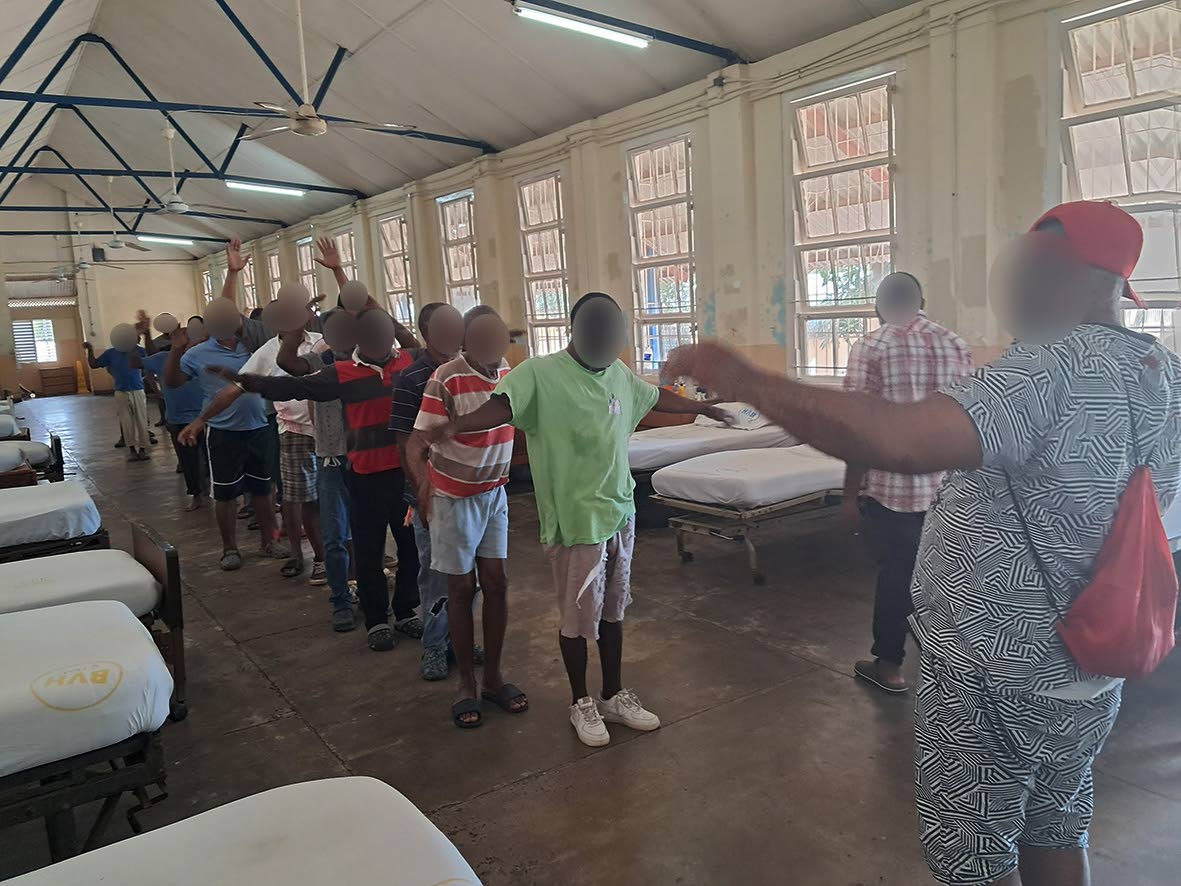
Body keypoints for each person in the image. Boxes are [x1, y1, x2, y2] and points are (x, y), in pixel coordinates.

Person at [663, 201, 1181, 886]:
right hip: (1091, 664)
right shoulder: (1163, 371)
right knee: (1057, 820)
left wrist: (746, 380)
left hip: (994, 667)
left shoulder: (1047, 367)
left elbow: (897, 439)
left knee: (972, 855)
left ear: (1068, 275)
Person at [422, 292, 730, 746]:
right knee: (575, 620)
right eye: (595, 329)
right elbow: (501, 408)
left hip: (618, 511)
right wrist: (457, 426)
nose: (605, 339)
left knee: (613, 612)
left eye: (614, 331)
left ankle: (612, 694)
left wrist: (701, 407)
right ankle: (580, 701)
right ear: (575, 328)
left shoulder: (619, 373)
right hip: (573, 521)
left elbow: (654, 396)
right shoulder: (539, 373)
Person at [216, 307, 421, 652]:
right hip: (365, 477)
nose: (378, 338)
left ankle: (404, 610)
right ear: (359, 338)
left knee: (411, 549)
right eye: (370, 332)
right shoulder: (341, 373)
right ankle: (377, 620)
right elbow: (294, 384)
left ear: (394, 333)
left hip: (406, 476)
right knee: (369, 553)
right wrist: (247, 382)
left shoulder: (410, 364)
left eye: (384, 330)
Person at [842, 272, 973, 694]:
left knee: (898, 574)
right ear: (922, 299)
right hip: (949, 485)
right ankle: (953, 666)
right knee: (948, 576)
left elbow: (858, 427)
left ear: (880, 305)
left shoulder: (872, 345)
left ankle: (890, 666)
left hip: (894, 489)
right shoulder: (955, 343)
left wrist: (849, 492)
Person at [409, 306, 523, 728]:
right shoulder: (446, 378)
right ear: (466, 341)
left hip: (494, 494)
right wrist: (423, 487)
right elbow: (417, 441)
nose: (491, 344)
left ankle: (493, 677)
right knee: (461, 590)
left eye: (498, 336)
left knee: (496, 583)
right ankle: (466, 685)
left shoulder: (510, 374)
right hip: (454, 498)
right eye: (481, 336)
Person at [189, 304, 326, 580]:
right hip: (293, 432)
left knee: (330, 499)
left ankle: (333, 555)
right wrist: (201, 420)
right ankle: (301, 555)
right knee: (297, 498)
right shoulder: (266, 353)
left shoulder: (322, 343)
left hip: (330, 434)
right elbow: (236, 388)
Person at [169, 298, 287, 571]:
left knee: (264, 489)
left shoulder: (253, 346)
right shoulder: (196, 353)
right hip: (223, 432)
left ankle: (269, 541)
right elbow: (174, 382)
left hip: (260, 427)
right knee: (225, 494)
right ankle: (230, 548)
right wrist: (176, 351)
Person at [390, 301, 471, 680]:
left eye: (459, 326)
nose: (455, 334)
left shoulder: (474, 370)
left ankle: (461, 640)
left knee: (470, 575)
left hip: (472, 493)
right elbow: (407, 442)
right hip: (434, 494)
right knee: (437, 574)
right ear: (426, 331)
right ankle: (435, 646)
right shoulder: (412, 378)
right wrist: (421, 490)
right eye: (445, 326)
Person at [137, 320, 209, 510]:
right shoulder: (163, 358)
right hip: (178, 419)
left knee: (210, 457)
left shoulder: (204, 356)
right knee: (188, 461)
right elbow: (135, 362)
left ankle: (212, 491)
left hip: (206, 417)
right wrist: (134, 339)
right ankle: (196, 494)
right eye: (184, 333)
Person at [85, 321, 153, 461]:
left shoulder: (139, 351)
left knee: (141, 421)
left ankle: (143, 449)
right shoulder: (111, 353)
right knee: (126, 422)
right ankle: (132, 449)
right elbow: (94, 364)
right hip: (121, 391)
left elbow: (148, 366)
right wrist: (90, 350)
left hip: (138, 389)